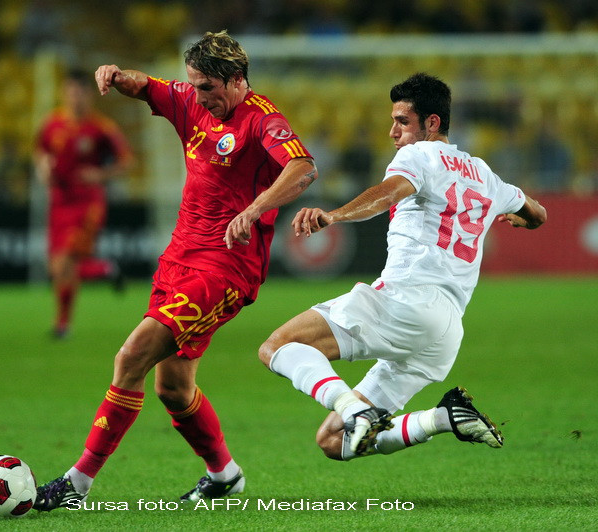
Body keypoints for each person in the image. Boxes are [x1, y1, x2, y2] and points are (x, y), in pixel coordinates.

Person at [33, 30, 317, 510]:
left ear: (237, 80)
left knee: (131, 358)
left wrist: (254, 209)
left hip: (225, 267)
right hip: (178, 260)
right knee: (172, 387)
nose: (199, 96)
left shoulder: (261, 120)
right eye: (194, 85)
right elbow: (148, 86)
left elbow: (303, 168)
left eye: (208, 87)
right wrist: (116, 76)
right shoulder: (191, 101)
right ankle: (224, 474)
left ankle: (76, 484)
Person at [259, 72, 546, 462]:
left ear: (432, 123)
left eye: (402, 121)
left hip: (406, 301)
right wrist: (522, 219)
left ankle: (353, 408)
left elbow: (389, 192)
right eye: (393, 120)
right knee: (334, 441)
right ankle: (442, 417)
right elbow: (538, 213)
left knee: (277, 347)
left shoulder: (419, 155)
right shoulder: (486, 175)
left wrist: (334, 216)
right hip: (445, 331)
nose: (393, 131)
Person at [35, 68, 134, 338]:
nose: (75, 97)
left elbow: (126, 162)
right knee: (57, 268)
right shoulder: (52, 123)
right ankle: (104, 270)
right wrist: (43, 168)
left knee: (66, 262)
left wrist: (100, 174)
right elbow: (41, 153)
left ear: (89, 95)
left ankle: (63, 324)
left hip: (87, 204)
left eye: (79, 92)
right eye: (70, 91)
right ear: (64, 93)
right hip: (58, 202)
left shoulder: (102, 128)